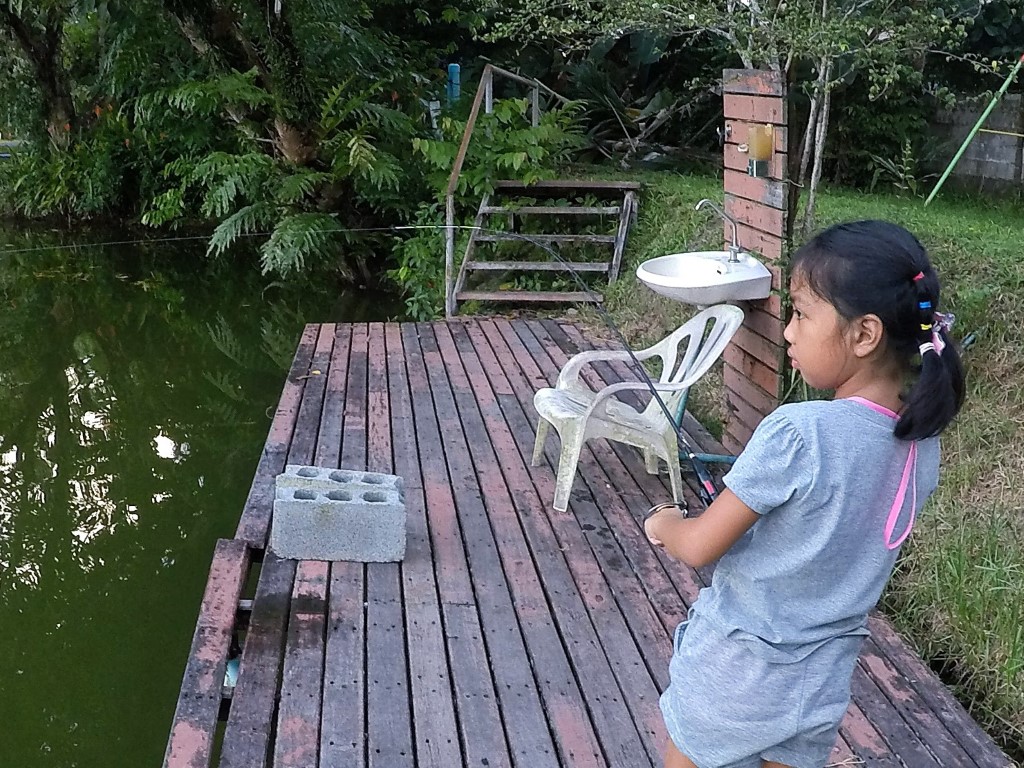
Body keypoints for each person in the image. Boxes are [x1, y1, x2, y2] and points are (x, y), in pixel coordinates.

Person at [644, 220, 966, 768]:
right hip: (814, 695)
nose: (788, 332)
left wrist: (664, 521)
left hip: (733, 681)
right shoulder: (920, 447)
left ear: (863, 334)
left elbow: (698, 547)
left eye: (800, 313)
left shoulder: (800, 431)